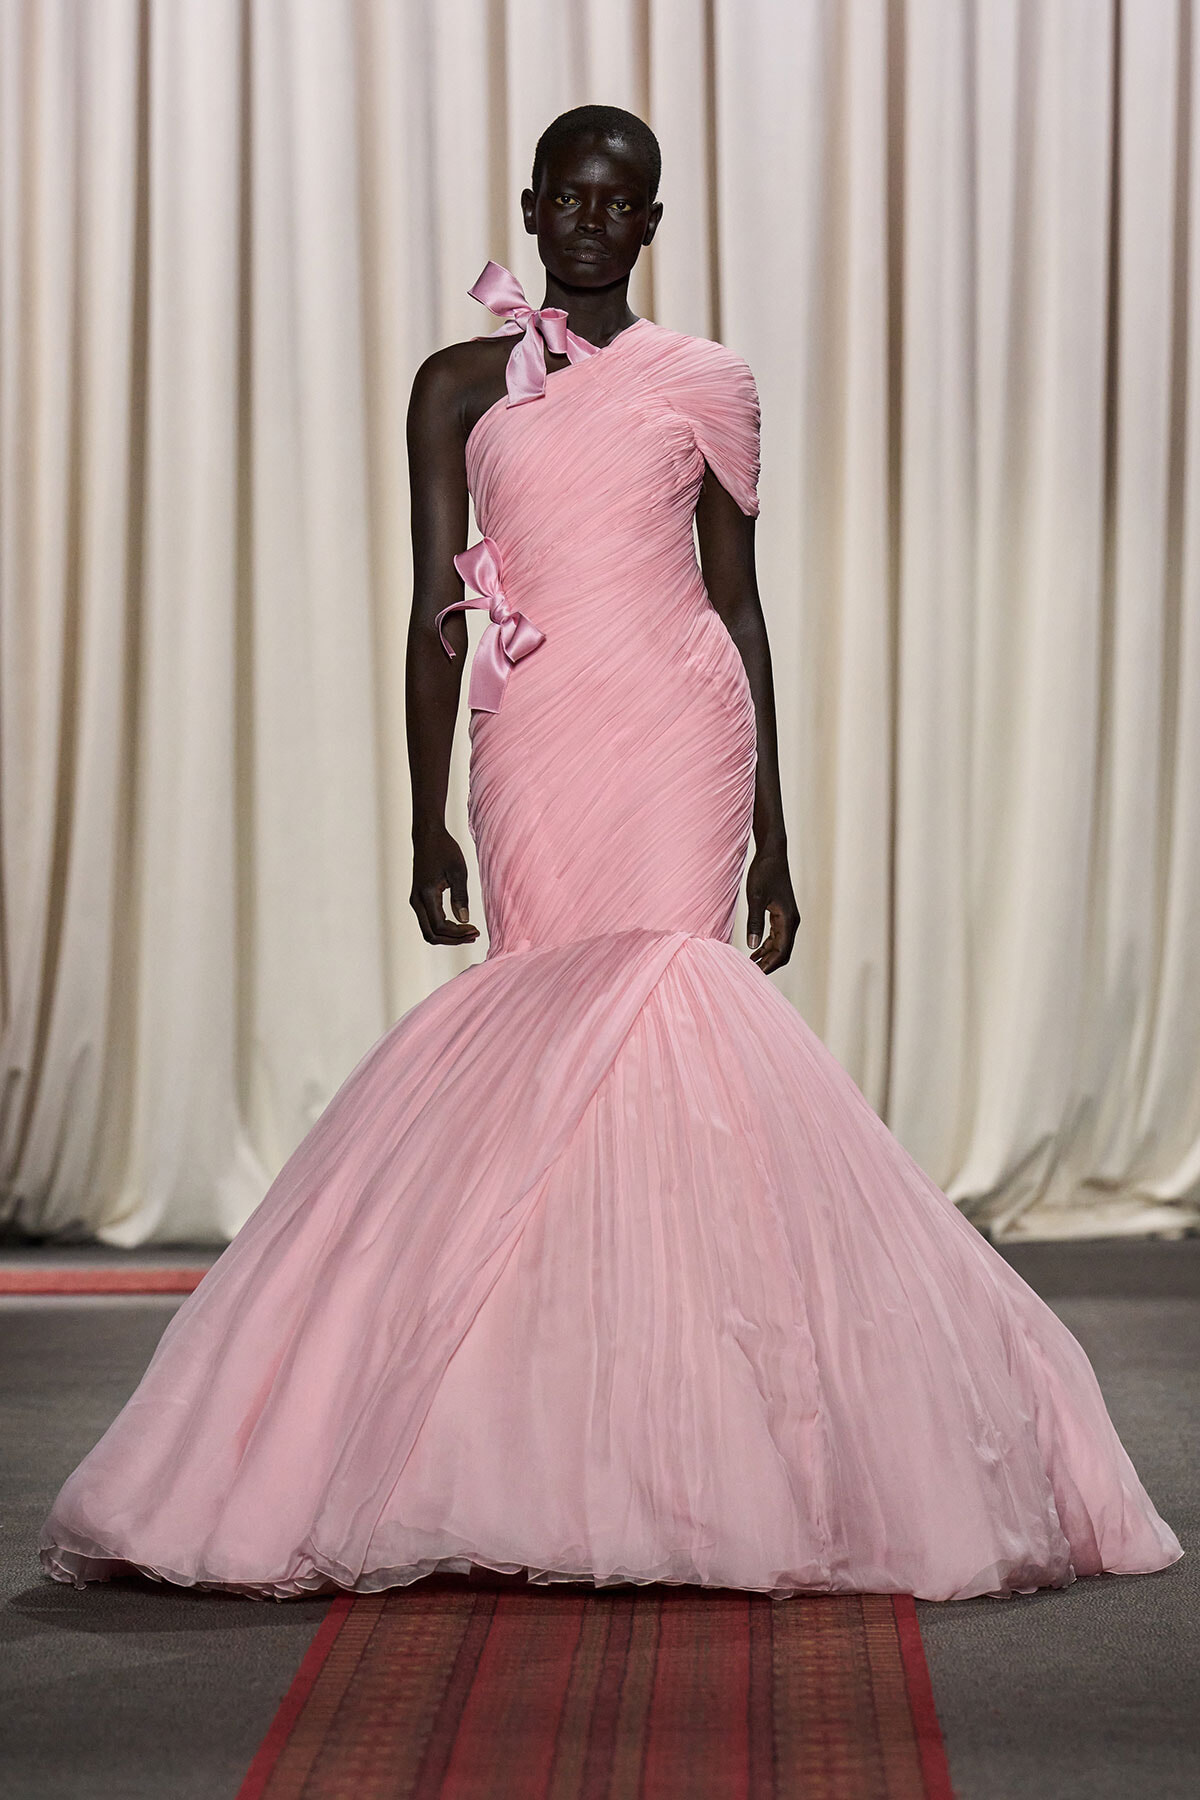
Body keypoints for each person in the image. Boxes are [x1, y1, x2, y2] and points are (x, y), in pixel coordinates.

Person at [40, 105, 1181, 1604]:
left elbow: (741, 600)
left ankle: (710, 1452)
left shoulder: (706, 380)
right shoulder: (455, 385)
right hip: (536, 744)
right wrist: (419, 810)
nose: (588, 219)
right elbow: (439, 609)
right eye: (567, 196)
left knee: (677, 1033)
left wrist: (776, 824)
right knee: (544, 1070)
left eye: (617, 201)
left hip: (678, 732)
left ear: (649, 225)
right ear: (530, 207)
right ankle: (533, 1438)